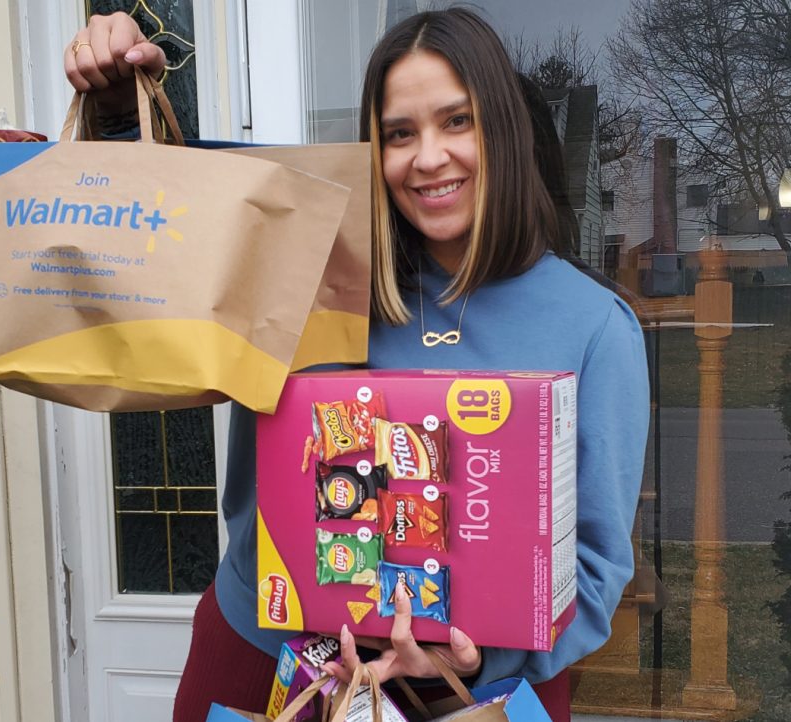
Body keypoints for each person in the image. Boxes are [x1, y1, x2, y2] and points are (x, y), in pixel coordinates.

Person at [64, 9, 649, 722]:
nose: (428, 157)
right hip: (267, 658)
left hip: (480, 691)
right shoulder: (305, 273)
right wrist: (125, 116)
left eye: (457, 121)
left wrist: (473, 658)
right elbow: (154, 280)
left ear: (503, 129)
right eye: (400, 133)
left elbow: (596, 569)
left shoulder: (593, 327)